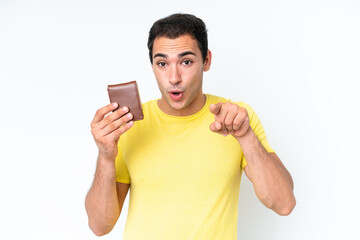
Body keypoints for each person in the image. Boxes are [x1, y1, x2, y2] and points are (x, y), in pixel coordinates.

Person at [85, 13, 296, 239]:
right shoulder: (130, 125)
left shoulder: (235, 118)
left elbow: (283, 204)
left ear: (206, 61)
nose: (174, 77)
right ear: (152, 66)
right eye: (162, 63)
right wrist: (106, 156)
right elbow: (100, 226)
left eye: (186, 62)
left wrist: (245, 136)